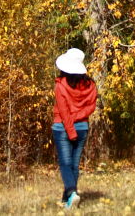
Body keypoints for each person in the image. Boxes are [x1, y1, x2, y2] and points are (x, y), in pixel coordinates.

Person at [52, 48, 97, 210]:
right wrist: (79, 117)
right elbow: (91, 107)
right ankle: (67, 200)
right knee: (74, 165)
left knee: (65, 164)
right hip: (82, 127)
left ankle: (71, 192)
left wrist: (71, 130)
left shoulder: (60, 85)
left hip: (63, 128)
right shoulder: (90, 84)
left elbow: (64, 112)